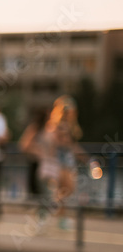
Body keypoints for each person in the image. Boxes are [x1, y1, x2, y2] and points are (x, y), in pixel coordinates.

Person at [22, 96, 90, 230]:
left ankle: (59, 217)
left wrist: (87, 158)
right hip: (54, 162)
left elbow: (72, 145)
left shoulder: (69, 125)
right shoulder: (52, 126)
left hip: (65, 161)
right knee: (54, 193)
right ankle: (45, 219)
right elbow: (55, 143)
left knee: (66, 190)